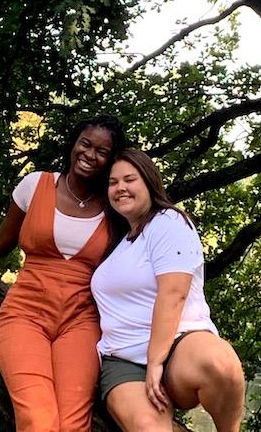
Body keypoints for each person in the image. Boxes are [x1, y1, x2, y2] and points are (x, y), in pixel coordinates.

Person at [0, 114, 126, 432]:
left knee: (73, 424)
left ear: (110, 160)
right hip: (25, 314)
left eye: (102, 151)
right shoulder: (36, 184)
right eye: (85, 144)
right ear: (73, 144)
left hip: (82, 322)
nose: (90, 155)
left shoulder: (114, 206)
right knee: (38, 420)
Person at [91, 149, 245, 432]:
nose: (120, 188)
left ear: (149, 182)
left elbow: (174, 294)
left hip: (179, 346)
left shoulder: (168, 222)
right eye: (113, 183)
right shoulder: (119, 241)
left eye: (129, 179)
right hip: (122, 359)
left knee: (221, 364)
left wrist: (155, 363)